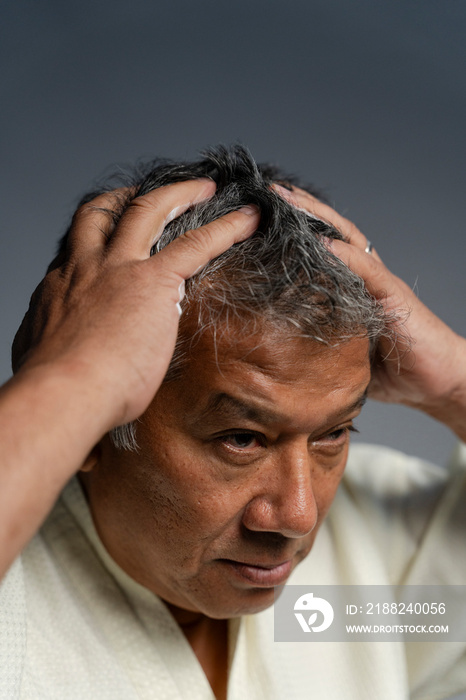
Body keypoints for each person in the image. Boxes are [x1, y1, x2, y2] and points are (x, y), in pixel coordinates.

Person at [0, 146, 465, 700]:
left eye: (332, 433)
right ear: (98, 425)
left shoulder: (372, 571)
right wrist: (78, 375)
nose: (297, 515)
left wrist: (457, 383)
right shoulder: (18, 596)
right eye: (241, 438)